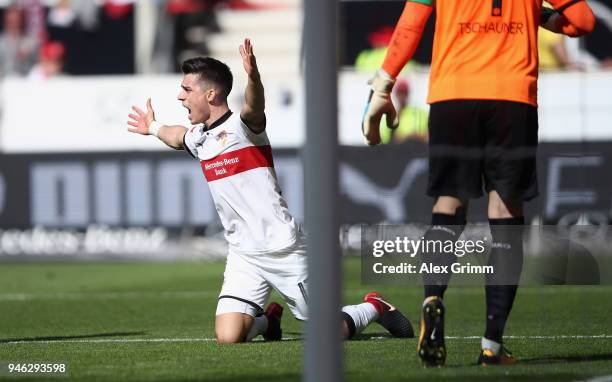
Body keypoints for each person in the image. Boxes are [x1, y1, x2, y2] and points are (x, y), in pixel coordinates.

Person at [127, 39, 414, 343]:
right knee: (228, 337)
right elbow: (177, 136)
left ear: (210, 94)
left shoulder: (243, 128)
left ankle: (373, 307)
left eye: (186, 90)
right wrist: (154, 126)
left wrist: (253, 77)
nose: (179, 96)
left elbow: (254, 106)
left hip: (282, 248)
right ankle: (268, 321)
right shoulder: (200, 138)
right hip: (243, 253)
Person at [362, 0, 595, 367]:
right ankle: (492, 345)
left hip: (452, 96)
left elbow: (410, 25)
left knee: (448, 205)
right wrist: (536, 14)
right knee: (505, 214)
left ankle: (432, 299)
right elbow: (581, 22)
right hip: (511, 99)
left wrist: (383, 85)